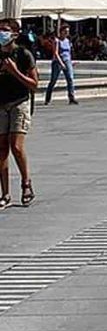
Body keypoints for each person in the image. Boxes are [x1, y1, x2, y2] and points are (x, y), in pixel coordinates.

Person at [0, 20, 39, 208]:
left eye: (5, 31)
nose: (1, 34)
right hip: (1, 105)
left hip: (19, 103)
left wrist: (14, 71)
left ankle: (26, 183)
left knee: (16, 146)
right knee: (1, 150)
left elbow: (34, 84)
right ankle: (5, 194)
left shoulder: (23, 54)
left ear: (15, 34)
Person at [43, 23, 79, 105]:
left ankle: (71, 97)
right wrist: (61, 63)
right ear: (61, 32)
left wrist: (71, 62)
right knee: (53, 80)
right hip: (57, 62)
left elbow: (68, 53)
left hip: (67, 61)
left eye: (68, 31)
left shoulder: (68, 41)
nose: (67, 33)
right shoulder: (57, 41)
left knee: (70, 79)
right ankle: (47, 98)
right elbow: (55, 53)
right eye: (65, 31)